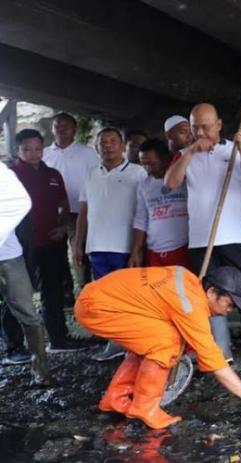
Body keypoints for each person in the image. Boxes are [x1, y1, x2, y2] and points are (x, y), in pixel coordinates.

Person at [74, 265, 241, 429]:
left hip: (100, 298)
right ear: (212, 291)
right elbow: (217, 364)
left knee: (153, 340)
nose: (229, 311)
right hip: (97, 307)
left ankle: (115, 398)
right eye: (229, 304)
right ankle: (145, 408)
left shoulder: (188, 282)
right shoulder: (190, 307)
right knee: (166, 341)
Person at [164, 103, 241, 368]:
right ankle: (222, 352)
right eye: (195, 127)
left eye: (206, 126)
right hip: (202, 239)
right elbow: (169, 183)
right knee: (209, 294)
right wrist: (190, 151)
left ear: (219, 124)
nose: (200, 132)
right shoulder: (184, 155)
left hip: (237, 236)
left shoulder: (233, 150)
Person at [74, 128, 147, 362]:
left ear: (123, 145)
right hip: (97, 246)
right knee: (107, 298)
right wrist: (78, 244)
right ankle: (115, 342)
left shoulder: (138, 173)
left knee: (129, 296)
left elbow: (144, 212)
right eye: (103, 142)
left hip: (124, 246)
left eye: (113, 142)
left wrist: (138, 247)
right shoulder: (90, 174)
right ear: (96, 147)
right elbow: (83, 211)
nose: (108, 146)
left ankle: (135, 344)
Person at [11, 129, 85, 352]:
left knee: (52, 291)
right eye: (27, 149)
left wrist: (63, 226)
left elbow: (63, 203)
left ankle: (59, 339)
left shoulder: (53, 174)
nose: (33, 154)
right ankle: (16, 348)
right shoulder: (10, 174)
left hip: (51, 242)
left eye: (37, 148)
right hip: (20, 245)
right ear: (18, 150)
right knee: (18, 294)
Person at [0, 162, 51, 384]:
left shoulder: (2, 172)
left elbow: (21, 203)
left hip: (7, 256)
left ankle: (40, 368)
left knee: (27, 312)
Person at [43, 113, 99, 290]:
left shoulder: (87, 153)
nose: (61, 129)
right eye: (57, 125)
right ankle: (64, 293)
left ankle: (84, 290)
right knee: (55, 254)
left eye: (65, 125)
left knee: (79, 252)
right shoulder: (45, 154)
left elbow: (97, 179)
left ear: (75, 129)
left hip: (79, 212)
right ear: (52, 129)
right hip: (53, 213)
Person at [129, 139, 189, 268]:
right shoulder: (144, 186)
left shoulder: (185, 181)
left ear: (166, 159)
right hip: (154, 252)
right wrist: (136, 251)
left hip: (183, 248)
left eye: (152, 163)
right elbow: (141, 220)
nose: (148, 168)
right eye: (143, 164)